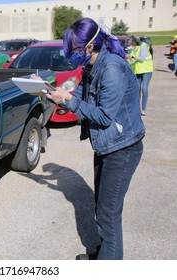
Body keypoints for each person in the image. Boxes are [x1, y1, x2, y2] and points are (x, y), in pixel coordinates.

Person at [42, 17, 145, 260]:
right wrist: (58, 97)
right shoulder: (91, 66)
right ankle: (103, 253)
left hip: (122, 149)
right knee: (101, 206)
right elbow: (78, 97)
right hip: (106, 146)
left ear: (90, 46)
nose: (72, 54)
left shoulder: (111, 68)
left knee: (108, 212)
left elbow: (103, 116)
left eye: (75, 49)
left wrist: (67, 100)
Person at [125, 35, 153, 116]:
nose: (129, 47)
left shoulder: (143, 45)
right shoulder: (132, 50)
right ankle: (136, 108)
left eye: (129, 45)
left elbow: (142, 58)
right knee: (136, 90)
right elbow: (131, 62)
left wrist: (132, 56)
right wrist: (127, 60)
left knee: (144, 89)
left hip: (147, 70)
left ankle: (143, 109)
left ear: (133, 43)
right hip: (137, 71)